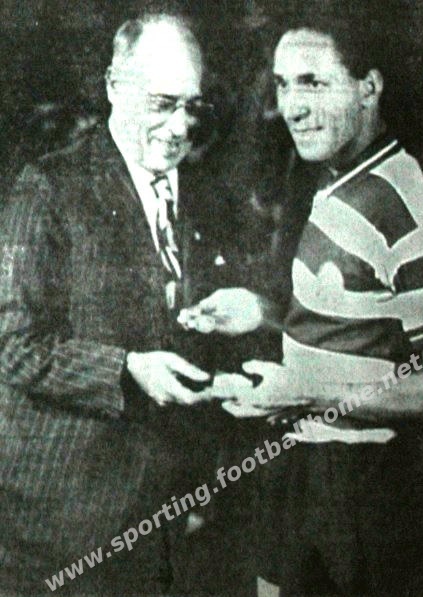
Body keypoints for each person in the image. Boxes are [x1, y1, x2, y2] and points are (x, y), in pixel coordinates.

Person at [182, 7, 423, 597]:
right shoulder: (336, 175)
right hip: (304, 477)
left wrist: (309, 393)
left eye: (313, 82)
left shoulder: (406, 202)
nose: (292, 107)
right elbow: (363, 323)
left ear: (369, 87)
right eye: (284, 85)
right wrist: (262, 313)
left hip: (373, 498)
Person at [0, 12, 231, 597]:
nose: (180, 127)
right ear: (113, 86)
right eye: (162, 104)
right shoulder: (48, 188)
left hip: (172, 520)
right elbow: (13, 346)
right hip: (66, 531)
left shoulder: (206, 194)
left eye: (192, 106)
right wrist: (127, 369)